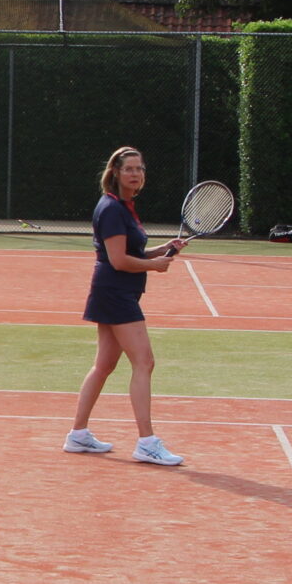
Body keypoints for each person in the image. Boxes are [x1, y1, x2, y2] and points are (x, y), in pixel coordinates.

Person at [64, 145, 186, 466]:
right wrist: (154, 266)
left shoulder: (123, 207)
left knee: (104, 365)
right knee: (144, 361)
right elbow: (118, 261)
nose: (136, 174)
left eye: (140, 168)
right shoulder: (112, 209)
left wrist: (163, 249)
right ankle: (147, 442)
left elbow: (131, 252)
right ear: (116, 173)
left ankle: (78, 434)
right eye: (129, 168)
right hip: (115, 293)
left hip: (116, 291)